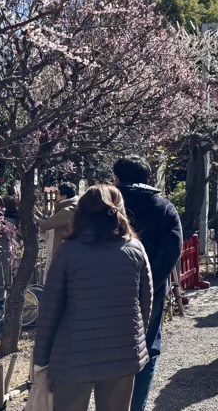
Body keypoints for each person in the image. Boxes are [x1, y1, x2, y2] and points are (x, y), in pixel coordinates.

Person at [34, 184, 153, 411]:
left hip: (73, 355)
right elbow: (145, 303)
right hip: (123, 352)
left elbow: (50, 309)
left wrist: (41, 359)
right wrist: (136, 342)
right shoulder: (135, 249)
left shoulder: (68, 252)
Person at [114, 156, 183, 411]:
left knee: (109, 348)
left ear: (117, 179)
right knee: (148, 348)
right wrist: (153, 279)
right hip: (151, 290)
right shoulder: (163, 207)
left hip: (110, 288)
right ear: (148, 178)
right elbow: (173, 249)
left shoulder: (108, 207)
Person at [36, 182, 79, 259]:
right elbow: (53, 220)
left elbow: (47, 224)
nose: (56, 195)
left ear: (64, 196)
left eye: (58, 193)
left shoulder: (67, 210)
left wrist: (30, 215)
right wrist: (37, 213)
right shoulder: (72, 206)